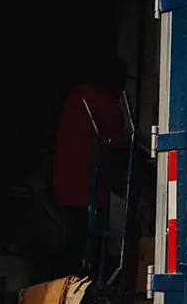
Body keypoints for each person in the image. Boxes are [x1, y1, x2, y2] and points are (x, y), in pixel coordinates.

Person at [48, 56, 129, 280]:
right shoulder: (107, 105)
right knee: (88, 245)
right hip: (89, 188)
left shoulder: (75, 96)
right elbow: (117, 147)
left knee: (70, 241)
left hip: (63, 183)